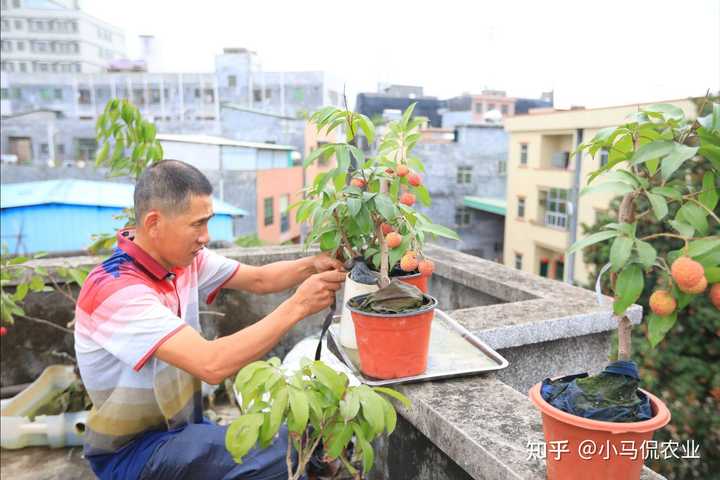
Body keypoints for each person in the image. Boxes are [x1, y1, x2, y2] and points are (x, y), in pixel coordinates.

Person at [74, 159, 346, 479]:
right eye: (197, 224)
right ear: (154, 223)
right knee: (284, 450)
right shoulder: (116, 290)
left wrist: (312, 265)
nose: (205, 236)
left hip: (182, 432)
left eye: (208, 222)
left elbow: (259, 279)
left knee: (278, 447)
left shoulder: (182, 261)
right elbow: (211, 364)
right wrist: (299, 305)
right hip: (134, 452)